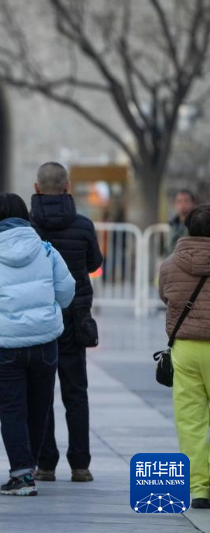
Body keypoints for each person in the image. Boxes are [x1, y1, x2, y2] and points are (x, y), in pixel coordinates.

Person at [0, 193, 75, 496]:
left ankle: (21, 474)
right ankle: (29, 466)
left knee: (12, 410)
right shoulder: (46, 250)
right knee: (40, 407)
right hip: (45, 341)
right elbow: (67, 290)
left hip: (7, 344)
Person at [29, 162, 103, 483]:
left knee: (41, 394)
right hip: (74, 319)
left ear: (36, 188)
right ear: (68, 186)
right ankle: (80, 465)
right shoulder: (83, 225)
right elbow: (94, 263)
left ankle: (45, 463)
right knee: (76, 394)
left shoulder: (27, 227)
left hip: (39, 319)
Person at [159, 204, 210, 509]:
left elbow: (165, 296)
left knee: (191, 420)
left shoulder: (169, 265)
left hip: (185, 348)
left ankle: (200, 489)